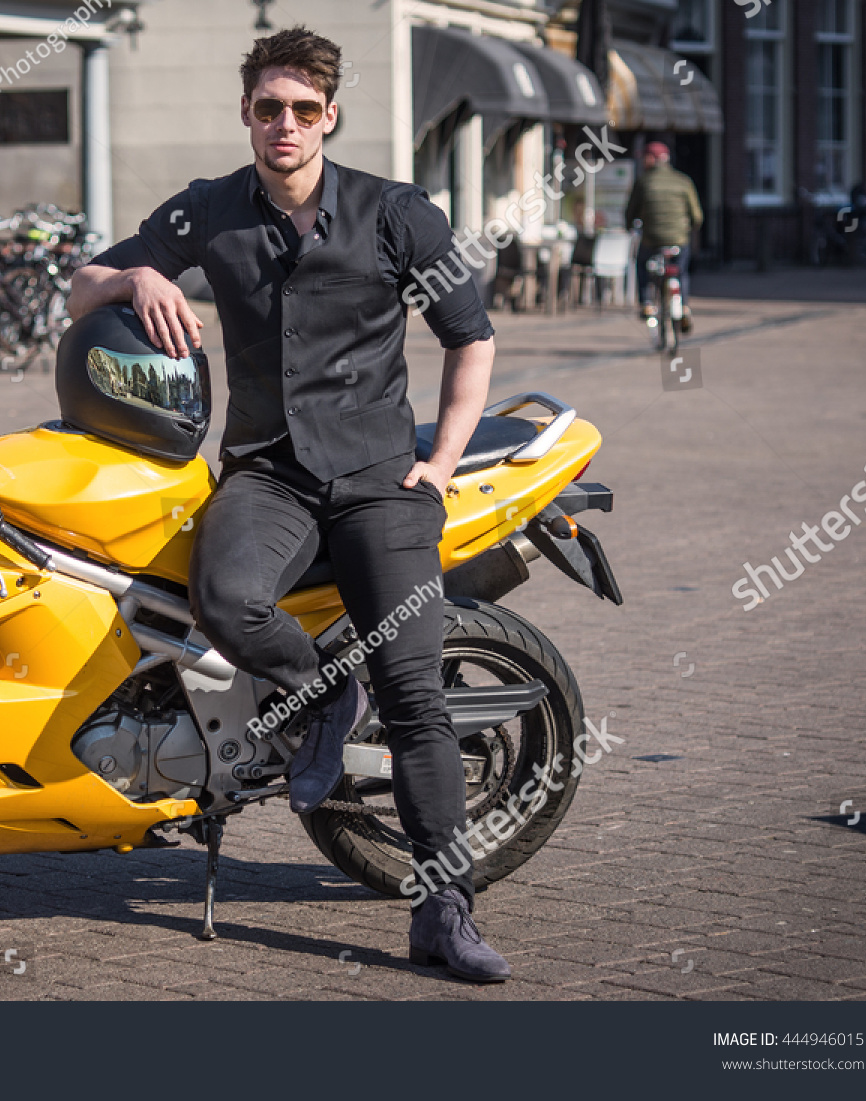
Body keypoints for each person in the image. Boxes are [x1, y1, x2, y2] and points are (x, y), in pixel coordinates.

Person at [68, 26, 510, 983]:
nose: (286, 124)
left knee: (416, 692)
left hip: (381, 483)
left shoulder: (398, 215)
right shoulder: (211, 212)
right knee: (224, 600)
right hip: (268, 472)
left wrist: (438, 458)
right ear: (248, 115)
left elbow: (469, 335)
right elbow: (80, 287)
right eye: (270, 108)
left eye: (304, 110)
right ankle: (320, 694)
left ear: (329, 118)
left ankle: (445, 908)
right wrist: (140, 273)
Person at [625, 141, 703, 332]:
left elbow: (630, 212)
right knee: (680, 271)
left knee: (642, 263)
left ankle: (646, 303)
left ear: (651, 159)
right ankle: (684, 307)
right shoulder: (683, 181)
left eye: (645, 157)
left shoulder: (644, 182)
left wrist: (630, 226)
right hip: (678, 240)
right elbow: (697, 217)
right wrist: (689, 229)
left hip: (652, 239)